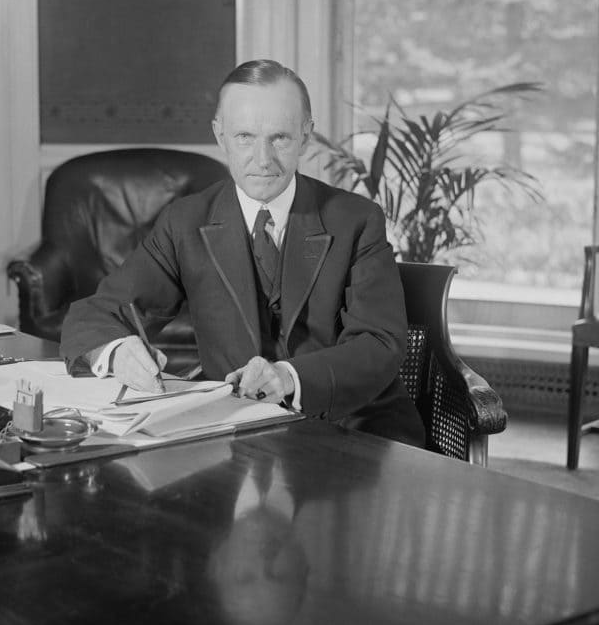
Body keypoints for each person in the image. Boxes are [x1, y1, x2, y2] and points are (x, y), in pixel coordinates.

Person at [59, 58, 423, 446]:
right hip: (240, 440)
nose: (263, 160)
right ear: (221, 137)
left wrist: (289, 377)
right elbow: (94, 315)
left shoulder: (357, 220)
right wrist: (117, 351)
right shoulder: (184, 222)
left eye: (280, 138)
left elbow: (379, 343)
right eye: (245, 137)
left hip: (355, 432)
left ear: (306, 136)